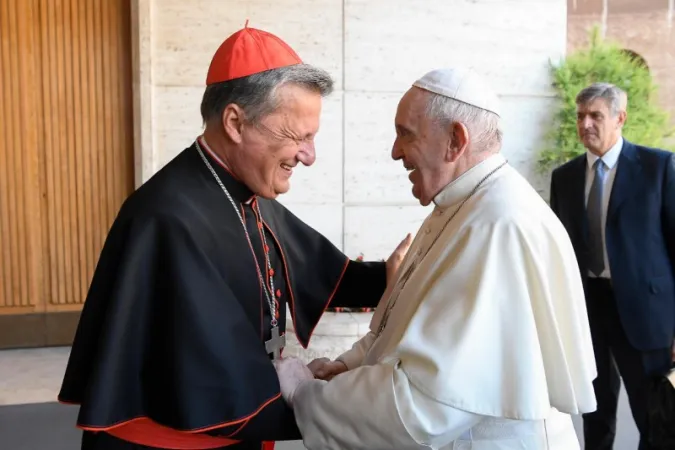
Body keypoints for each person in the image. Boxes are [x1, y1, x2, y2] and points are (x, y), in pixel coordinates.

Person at [57, 24, 411, 450]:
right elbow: (209, 374)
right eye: (299, 136)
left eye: (312, 137)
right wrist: (320, 399)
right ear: (235, 123)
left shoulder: (244, 194)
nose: (309, 156)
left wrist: (387, 278)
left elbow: (312, 268)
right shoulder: (167, 219)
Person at [273, 67, 598, 449]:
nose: (395, 152)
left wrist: (306, 396)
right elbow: (408, 329)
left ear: (455, 140)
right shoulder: (463, 205)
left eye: (405, 134)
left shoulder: (498, 225)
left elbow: (424, 406)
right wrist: (349, 364)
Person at [549, 82, 675, 450]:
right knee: (595, 413)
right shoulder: (565, 177)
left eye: (596, 116)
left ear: (620, 118)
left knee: (653, 417)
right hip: (587, 312)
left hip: (645, 312)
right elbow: (561, 252)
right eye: (580, 116)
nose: (586, 123)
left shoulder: (659, 167)